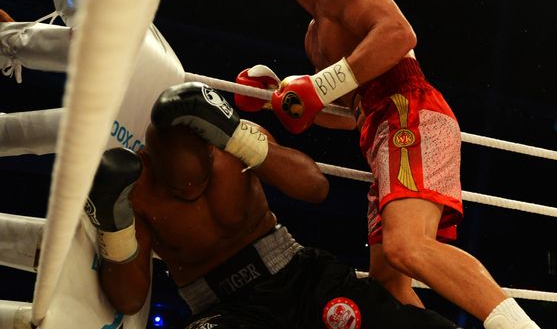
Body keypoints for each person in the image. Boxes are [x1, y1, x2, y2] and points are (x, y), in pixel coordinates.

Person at [244, 0, 540, 329]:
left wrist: (318, 86)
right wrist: (277, 102)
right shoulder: (314, 39)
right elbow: (350, 115)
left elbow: (399, 34)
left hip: (409, 111)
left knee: (407, 246)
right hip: (379, 130)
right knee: (389, 282)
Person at [85, 82, 458, 328]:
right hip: (224, 310)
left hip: (298, 278)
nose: (191, 191)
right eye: (178, 185)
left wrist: (239, 138)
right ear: (154, 160)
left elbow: (316, 188)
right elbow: (130, 299)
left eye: (200, 178)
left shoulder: (234, 144)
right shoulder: (139, 191)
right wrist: (112, 225)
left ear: (209, 145)